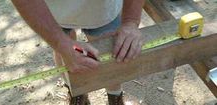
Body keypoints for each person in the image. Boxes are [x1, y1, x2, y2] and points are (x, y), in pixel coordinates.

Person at [11, 0, 144, 104]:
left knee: (110, 54)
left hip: (102, 10)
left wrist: (131, 21)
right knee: (65, 55)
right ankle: (77, 95)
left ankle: (115, 97)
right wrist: (61, 44)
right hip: (52, 13)